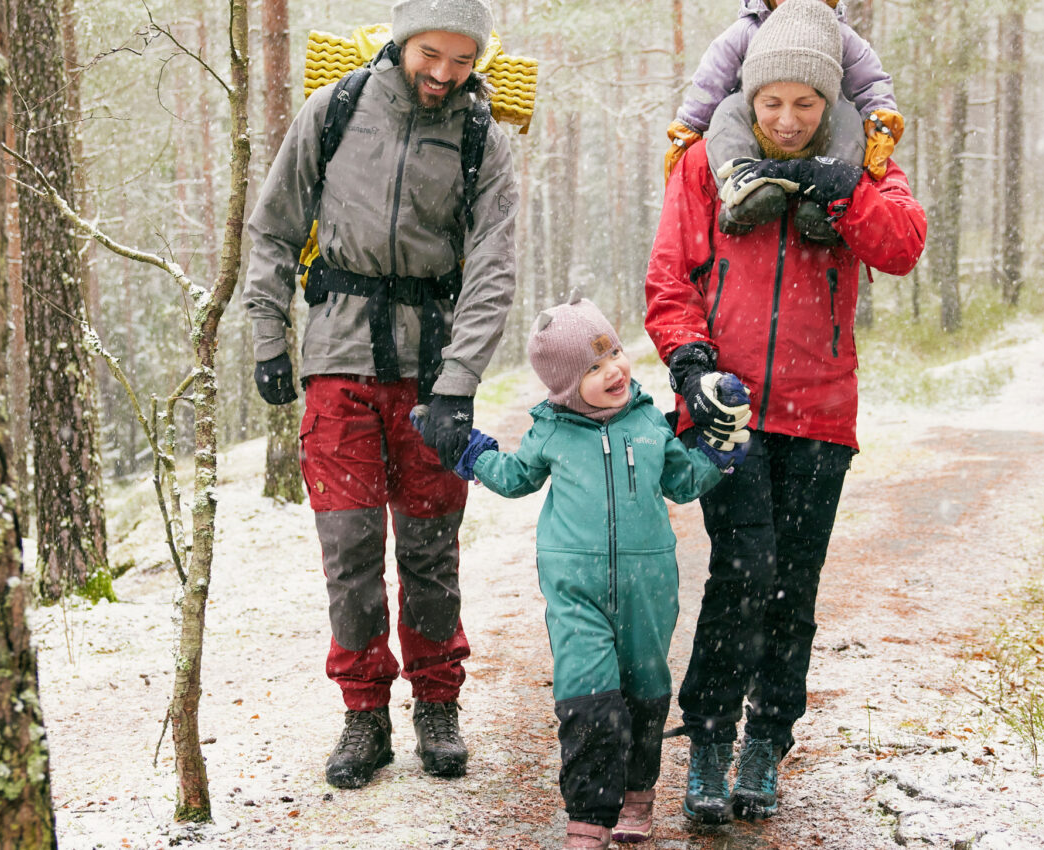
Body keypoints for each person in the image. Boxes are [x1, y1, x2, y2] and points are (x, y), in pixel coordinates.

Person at [644, 0, 927, 826]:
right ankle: (706, 740)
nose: (789, 119)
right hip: (726, 408)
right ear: (748, 94)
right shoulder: (705, 163)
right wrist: (689, 362)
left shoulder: (862, 162)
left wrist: (841, 190)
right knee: (743, 571)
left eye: (807, 103)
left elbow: (902, 246)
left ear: (832, 101)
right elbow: (669, 278)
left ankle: (766, 741)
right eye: (773, 102)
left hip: (820, 412)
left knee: (793, 584)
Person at [241, 0, 519, 790]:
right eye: (431, 52)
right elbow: (273, 228)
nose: (442, 73)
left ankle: (437, 704)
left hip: (431, 376)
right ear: (403, 41)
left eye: (461, 60)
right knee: (350, 551)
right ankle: (364, 715)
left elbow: (493, 269)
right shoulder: (333, 112)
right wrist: (269, 335)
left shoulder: (483, 138)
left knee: (430, 551)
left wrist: (459, 383)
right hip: (338, 361)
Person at [447, 297, 747, 850]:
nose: (613, 370)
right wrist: (469, 452)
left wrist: (719, 451)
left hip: (648, 585)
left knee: (645, 688)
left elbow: (681, 483)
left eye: (612, 353)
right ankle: (588, 812)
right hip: (574, 585)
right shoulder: (552, 431)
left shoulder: (650, 422)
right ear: (564, 385)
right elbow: (515, 477)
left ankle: (637, 790)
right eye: (591, 366)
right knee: (586, 693)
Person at [661, 0, 904, 202]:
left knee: (847, 119)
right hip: (757, 122)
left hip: (817, 129)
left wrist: (880, 115)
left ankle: (832, 196)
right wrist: (690, 125)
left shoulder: (836, 33)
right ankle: (742, 190)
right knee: (728, 111)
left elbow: (870, 79)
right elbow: (710, 80)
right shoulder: (748, 30)